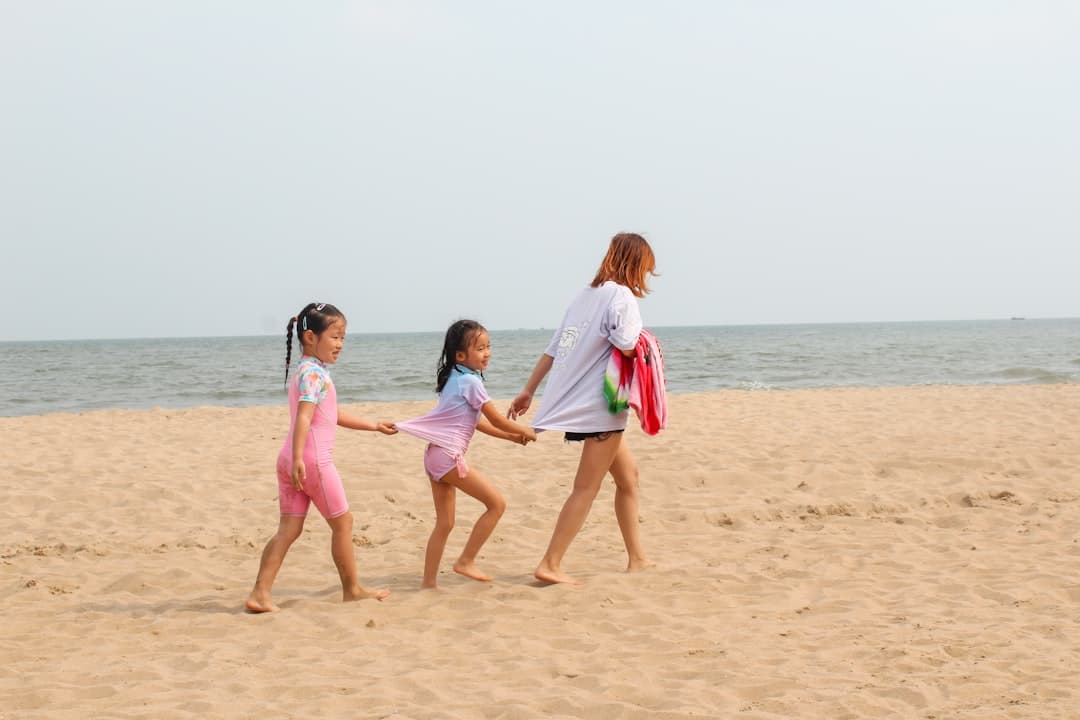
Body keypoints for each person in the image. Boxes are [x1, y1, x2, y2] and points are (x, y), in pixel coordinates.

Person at [508, 233, 657, 584]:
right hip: (602, 405)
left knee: (628, 478)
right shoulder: (622, 297)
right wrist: (648, 348)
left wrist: (528, 390)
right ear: (636, 264)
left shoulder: (584, 296)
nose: (646, 277)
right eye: (646, 269)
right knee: (585, 487)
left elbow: (554, 348)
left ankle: (637, 558)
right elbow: (626, 342)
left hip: (590, 404)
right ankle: (550, 563)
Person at [245, 302, 395, 613]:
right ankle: (352, 589)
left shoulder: (306, 370)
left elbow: (331, 414)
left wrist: (373, 426)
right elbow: (303, 417)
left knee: (288, 529)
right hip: (312, 462)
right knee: (344, 523)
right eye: (335, 337)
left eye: (343, 338)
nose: (340, 344)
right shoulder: (314, 374)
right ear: (311, 337)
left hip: (289, 459)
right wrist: (301, 458)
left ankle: (260, 593)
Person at [395, 320, 537, 588]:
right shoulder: (471, 382)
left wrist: (511, 437)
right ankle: (466, 561)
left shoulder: (455, 378)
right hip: (449, 457)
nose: (487, 353)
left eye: (488, 346)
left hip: (435, 456)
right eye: (480, 348)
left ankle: (428, 583)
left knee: (445, 524)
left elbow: (477, 423)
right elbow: (496, 419)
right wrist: (526, 431)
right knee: (496, 505)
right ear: (460, 356)